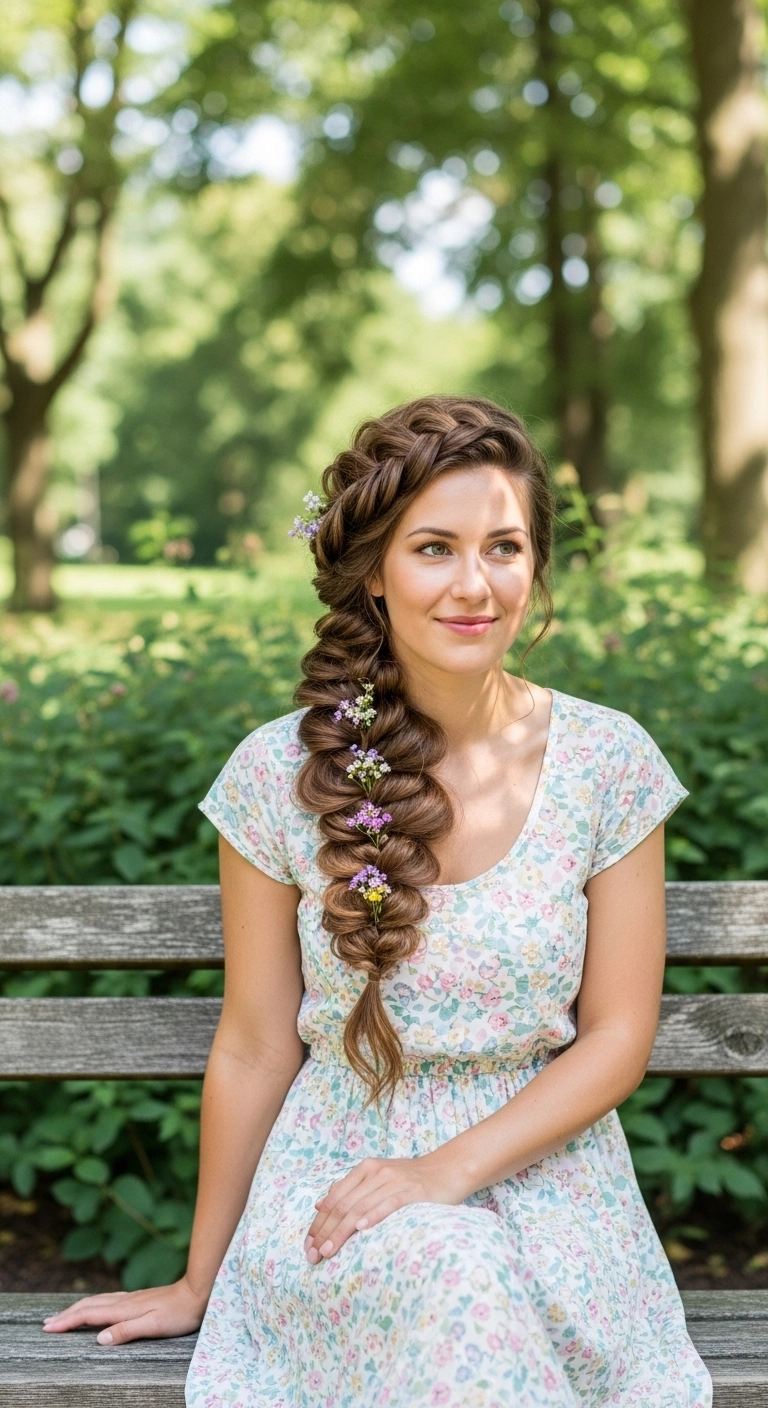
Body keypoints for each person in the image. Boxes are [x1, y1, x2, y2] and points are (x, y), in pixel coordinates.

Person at [43, 396, 711, 1407]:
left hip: (558, 1190)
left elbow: (618, 1035)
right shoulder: (278, 774)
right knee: (453, 1271)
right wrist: (200, 1277)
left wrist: (446, 1169)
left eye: (505, 547)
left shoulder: (608, 761)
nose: (476, 584)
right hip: (342, 1180)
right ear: (372, 571)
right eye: (434, 548)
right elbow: (258, 1044)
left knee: (480, 1276)